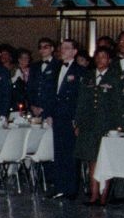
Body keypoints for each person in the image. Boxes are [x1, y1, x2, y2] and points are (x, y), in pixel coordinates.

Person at [75, 48, 118, 205]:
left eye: (104, 57)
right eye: (98, 57)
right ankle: (94, 194)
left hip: (106, 124)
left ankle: (104, 195)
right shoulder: (88, 76)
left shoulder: (114, 78)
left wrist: (116, 126)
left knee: (105, 159)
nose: (100, 60)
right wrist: (78, 122)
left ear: (109, 60)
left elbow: (117, 104)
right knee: (91, 159)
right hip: (89, 123)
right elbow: (81, 101)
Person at [46, 38, 86, 200]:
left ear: (75, 52)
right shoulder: (55, 68)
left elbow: (81, 98)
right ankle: (59, 186)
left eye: (67, 48)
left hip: (70, 117)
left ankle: (70, 189)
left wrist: (78, 119)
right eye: (62, 48)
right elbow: (51, 94)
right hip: (57, 115)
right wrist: (49, 113)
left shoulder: (80, 71)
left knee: (70, 153)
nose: (63, 51)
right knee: (59, 152)